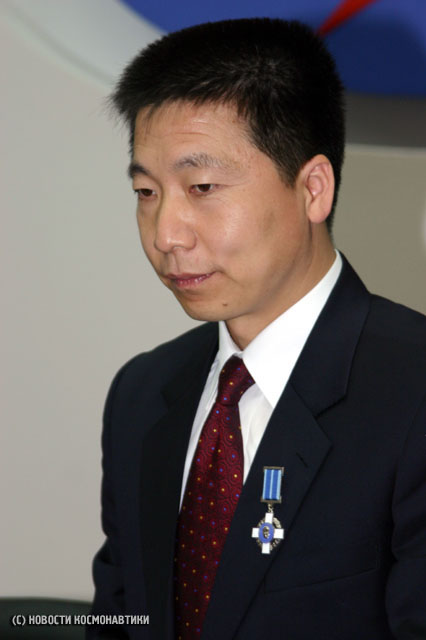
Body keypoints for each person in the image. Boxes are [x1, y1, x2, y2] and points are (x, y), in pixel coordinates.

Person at [88, 18, 426, 640]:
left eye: (202, 187)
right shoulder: (141, 393)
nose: (166, 234)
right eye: (146, 191)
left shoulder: (412, 391)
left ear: (313, 189)